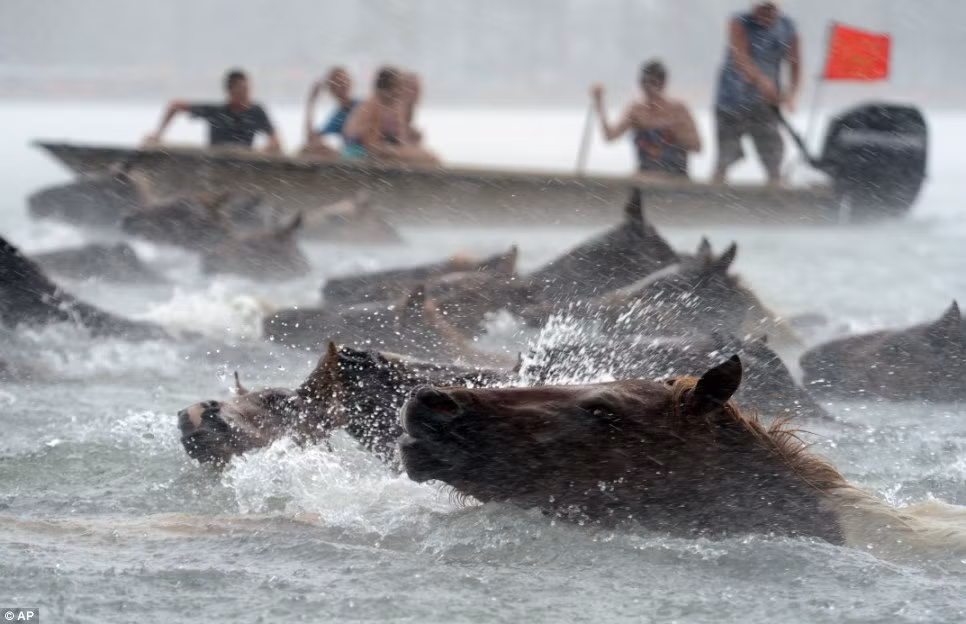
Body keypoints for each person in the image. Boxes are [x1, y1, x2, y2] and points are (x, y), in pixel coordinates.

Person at [712, 1, 801, 186]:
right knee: (727, 149)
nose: (766, 14)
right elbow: (740, 58)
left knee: (771, 148)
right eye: (762, 9)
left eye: (770, 9)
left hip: (765, 103)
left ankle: (774, 186)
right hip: (733, 96)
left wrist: (791, 93)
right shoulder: (740, 21)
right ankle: (717, 185)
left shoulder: (787, 27)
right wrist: (760, 80)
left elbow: (795, 63)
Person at [591, 60, 701, 179]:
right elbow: (610, 136)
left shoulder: (678, 109)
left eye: (653, 83)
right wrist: (599, 103)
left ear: (663, 84)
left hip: (674, 175)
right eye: (644, 83)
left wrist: (673, 129)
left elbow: (697, 146)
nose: (648, 89)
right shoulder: (636, 110)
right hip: (645, 173)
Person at [143, 69, 282, 154]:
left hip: (244, 164)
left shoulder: (256, 112)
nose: (247, 95)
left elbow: (276, 142)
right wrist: (158, 134)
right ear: (230, 91)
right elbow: (174, 105)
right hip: (215, 162)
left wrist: (266, 149)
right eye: (242, 90)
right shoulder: (216, 112)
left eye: (248, 90)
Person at [341, 66, 440, 165]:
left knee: (428, 156)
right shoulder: (373, 105)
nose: (402, 90)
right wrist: (399, 152)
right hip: (357, 153)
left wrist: (411, 144)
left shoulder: (397, 108)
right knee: (427, 157)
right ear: (388, 88)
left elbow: (402, 141)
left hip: (375, 152)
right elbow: (372, 146)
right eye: (400, 86)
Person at [301, 66, 360, 158]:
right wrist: (311, 103)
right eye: (339, 83)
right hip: (348, 156)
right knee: (308, 150)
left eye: (345, 81)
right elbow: (312, 139)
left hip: (363, 155)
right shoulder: (338, 115)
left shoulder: (361, 106)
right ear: (331, 89)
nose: (343, 86)